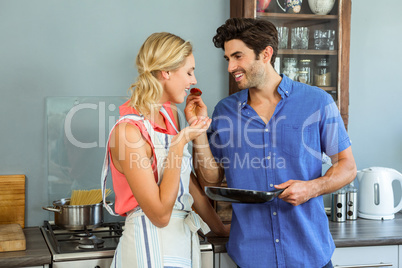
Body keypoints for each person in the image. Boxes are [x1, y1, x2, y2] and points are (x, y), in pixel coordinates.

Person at [189, 18, 357, 268]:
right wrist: (198, 131)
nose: (231, 67)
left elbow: (347, 166)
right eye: (228, 59)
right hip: (252, 256)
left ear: (265, 54)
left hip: (309, 255)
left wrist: (312, 188)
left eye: (238, 56)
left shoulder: (317, 102)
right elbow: (210, 181)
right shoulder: (224, 112)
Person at [101, 32, 229, 268]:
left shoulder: (169, 117)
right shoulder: (128, 132)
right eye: (189, 72)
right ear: (166, 72)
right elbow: (160, 215)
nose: (194, 80)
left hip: (182, 244)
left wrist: (219, 229)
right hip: (148, 246)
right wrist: (178, 145)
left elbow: (187, 185)